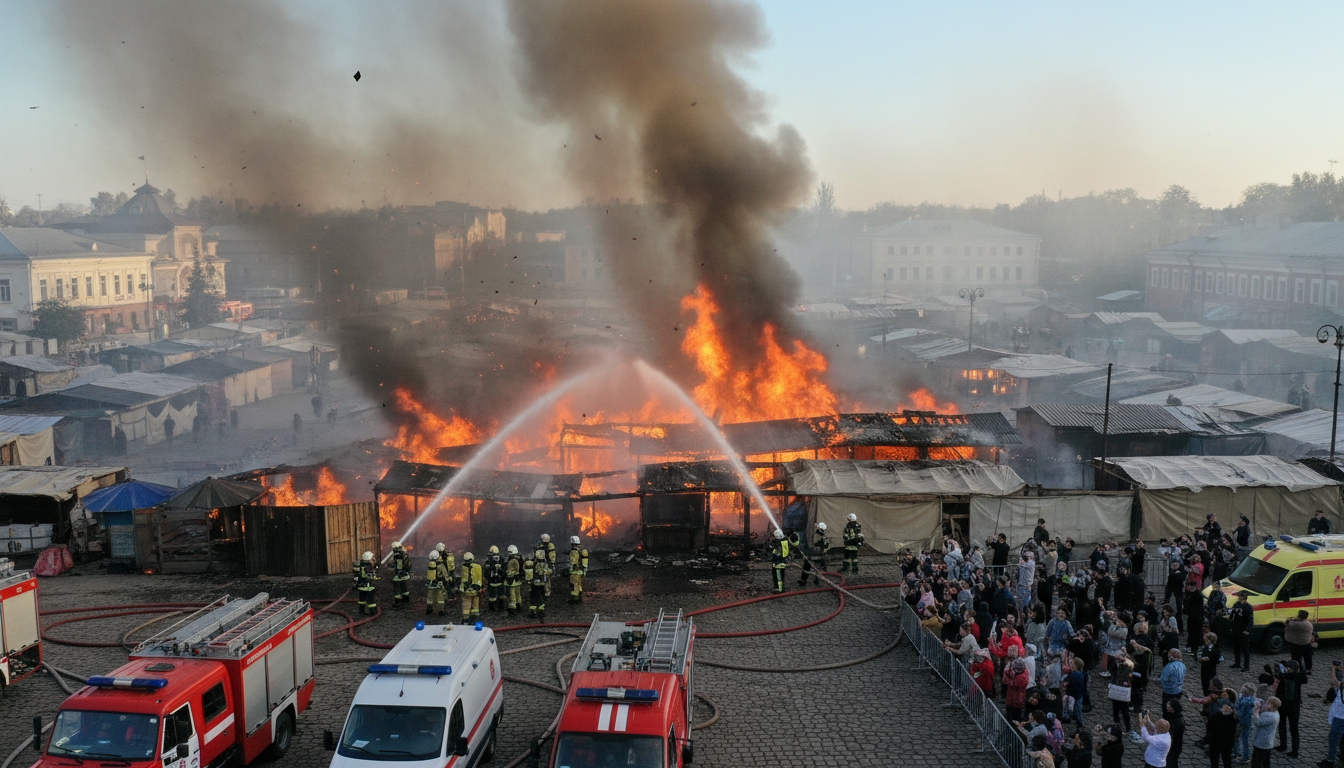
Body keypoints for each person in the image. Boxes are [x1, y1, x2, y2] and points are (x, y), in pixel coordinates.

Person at [1275, 660, 1303, 757]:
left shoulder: (1293, 677)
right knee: (1286, 727)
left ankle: (1291, 749)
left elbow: (1304, 678)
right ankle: (1287, 747)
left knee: (1290, 727)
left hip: (1289, 706)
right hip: (1287, 706)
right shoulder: (1288, 676)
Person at [1324, 659, 1344, 768]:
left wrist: (1333, 670)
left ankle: (1330, 761)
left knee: (1333, 739)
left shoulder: (1341, 687)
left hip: (1340, 717)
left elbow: (1334, 683)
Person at [1207, 698, 1237, 768]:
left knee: (1215, 762)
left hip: (1215, 743)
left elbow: (1209, 727)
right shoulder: (1233, 720)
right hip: (1227, 744)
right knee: (1226, 760)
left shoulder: (1215, 717)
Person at [1250, 697, 1279, 768]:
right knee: (1266, 761)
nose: (1265, 704)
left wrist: (1256, 710)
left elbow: (1258, 722)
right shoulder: (1275, 713)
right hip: (1267, 742)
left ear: (1271, 705)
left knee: (1256, 762)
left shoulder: (1270, 716)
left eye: (1267, 703)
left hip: (1262, 742)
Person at [1227, 592, 1252, 672]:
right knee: (1236, 647)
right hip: (1236, 628)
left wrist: (1248, 630)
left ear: (1245, 599)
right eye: (1239, 599)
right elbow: (1232, 615)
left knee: (1245, 649)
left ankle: (1246, 666)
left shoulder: (1248, 607)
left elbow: (1250, 620)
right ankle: (1237, 663)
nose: (1240, 600)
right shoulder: (1236, 604)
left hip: (1243, 629)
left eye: (1241, 599)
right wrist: (1231, 626)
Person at [458, 551, 483, 624]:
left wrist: (461, 589)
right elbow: (479, 578)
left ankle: (466, 619)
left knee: (466, 606)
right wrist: (479, 588)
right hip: (476, 589)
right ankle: (474, 619)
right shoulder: (478, 566)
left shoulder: (463, 567)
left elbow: (463, 579)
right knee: (475, 606)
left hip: (466, 590)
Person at [800, 521, 828, 586]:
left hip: (813, 554)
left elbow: (811, 545)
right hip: (821, 555)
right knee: (818, 568)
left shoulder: (817, 535)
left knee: (807, 566)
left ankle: (803, 580)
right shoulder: (824, 535)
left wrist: (805, 553)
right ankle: (817, 580)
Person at [526, 551, 549, 623]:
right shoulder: (545, 564)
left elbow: (529, 574)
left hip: (535, 584)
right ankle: (541, 612)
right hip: (542, 584)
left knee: (533, 598)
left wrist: (529, 582)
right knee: (542, 598)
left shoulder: (534, 564)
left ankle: (533, 612)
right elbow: (546, 575)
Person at [353, 550, 378, 616]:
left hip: (361, 587)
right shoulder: (370, 567)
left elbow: (356, 577)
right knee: (371, 600)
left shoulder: (359, 566)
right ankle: (373, 612)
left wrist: (355, 584)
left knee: (362, 600)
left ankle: (361, 611)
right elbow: (372, 576)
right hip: (369, 587)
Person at [425, 550, 447, 616]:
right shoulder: (441, 565)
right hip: (438, 583)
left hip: (430, 583)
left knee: (430, 597)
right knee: (440, 598)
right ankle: (441, 611)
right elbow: (445, 574)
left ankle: (429, 609)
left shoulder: (430, 564)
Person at [389, 541, 411, 607]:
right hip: (405, 574)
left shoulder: (396, 555)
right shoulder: (404, 554)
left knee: (397, 588)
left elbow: (393, 564)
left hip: (398, 575)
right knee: (403, 585)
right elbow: (408, 564)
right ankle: (406, 599)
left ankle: (398, 601)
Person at [484, 545, 505, 612]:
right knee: (497, 596)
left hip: (494, 581)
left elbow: (486, 572)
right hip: (497, 581)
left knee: (495, 596)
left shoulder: (489, 561)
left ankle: (494, 607)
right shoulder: (501, 560)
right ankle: (497, 607)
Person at [568, 535, 588, 602]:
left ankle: (574, 599)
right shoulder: (581, 550)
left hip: (574, 572)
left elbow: (574, 562)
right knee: (579, 585)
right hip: (580, 571)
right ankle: (579, 598)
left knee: (574, 585)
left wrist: (571, 569)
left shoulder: (574, 551)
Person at [769, 528, 789, 594]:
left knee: (778, 578)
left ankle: (779, 590)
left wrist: (771, 541)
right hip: (781, 563)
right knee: (781, 576)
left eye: (774, 536)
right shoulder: (784, 542)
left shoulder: (778, 544)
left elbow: (774, 547)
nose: (773, 537)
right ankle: (780, 587)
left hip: (778, 564)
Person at [505, 544, 523, 615]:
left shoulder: (512, 560)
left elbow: (509, 569)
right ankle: (519, 605)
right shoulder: (520, 558)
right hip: (518, 579)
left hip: (512, 579)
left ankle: (512, 608)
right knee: (518, 593)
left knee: (512, 594)